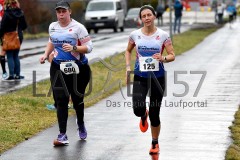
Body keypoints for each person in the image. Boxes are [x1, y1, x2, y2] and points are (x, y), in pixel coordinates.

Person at [39, 0, 93, 146]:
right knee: (61, 100)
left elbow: (89, 47)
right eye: (58, 12)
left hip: (79, 69)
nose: (61, 15)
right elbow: (51, 41)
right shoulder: (53, 26)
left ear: (69, 12)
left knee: (77, 100)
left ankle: (80, 124)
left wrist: (74, 48)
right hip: (58, 67)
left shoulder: (78, 28)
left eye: (64, 11)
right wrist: (45, 55)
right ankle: (62, 134)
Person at [125, 5, 175, 154]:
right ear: (141, 19)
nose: (146, 18)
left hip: (157, 78)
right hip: (140, 76)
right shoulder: (135, 35)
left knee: (155, 113)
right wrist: (128, 67)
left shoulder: (163, 35)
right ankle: (143, 114)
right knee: (137, 109)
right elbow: (128, 50)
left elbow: (172, 54)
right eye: (143, 16)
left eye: (149, 15)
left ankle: (154, 143)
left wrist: (163, 58)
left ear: (154, 16)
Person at [0, 0, 27, 81]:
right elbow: (25, 25)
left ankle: (11, 74)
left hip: (8, 36)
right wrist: (19, 29)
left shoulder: (7, 13)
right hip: (18, 36)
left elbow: (2, 26)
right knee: (16, 55)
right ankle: (17, 74)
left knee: (10, 56)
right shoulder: (20, 12)